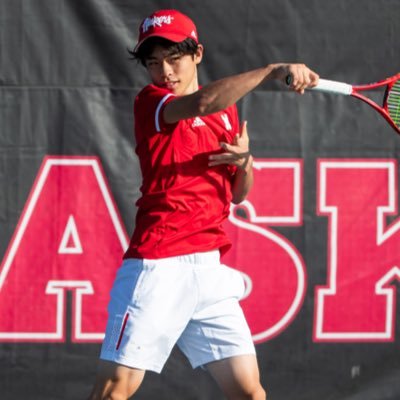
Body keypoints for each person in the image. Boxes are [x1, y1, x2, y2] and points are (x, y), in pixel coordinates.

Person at [87, 9, 319, 400]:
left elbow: (239, 193)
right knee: (114, 392)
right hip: (157, 266)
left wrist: (244, 162)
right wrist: (272, 70)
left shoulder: (225, 113)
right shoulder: (152, 102)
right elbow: (200, 103)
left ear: (197, 54)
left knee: (250, 393)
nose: (165, 72)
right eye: (154, 63)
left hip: (209, 270)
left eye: (174, 59)